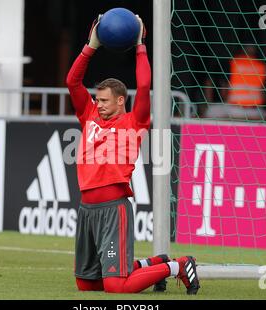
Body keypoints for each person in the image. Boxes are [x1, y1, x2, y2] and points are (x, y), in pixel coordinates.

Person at [65, 15, 200, 295]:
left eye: (104, 100)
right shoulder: (88, 114)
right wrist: (91, 46)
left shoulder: (134, 121)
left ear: (120, 100)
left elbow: (144, 84)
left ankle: (178, 265)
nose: (98, 105)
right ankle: (151, 264)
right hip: (87, 209)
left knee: (116, 287)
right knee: (87, 284)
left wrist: (140, 45)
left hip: (114, 208)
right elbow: (72, 81)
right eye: (97, 99)